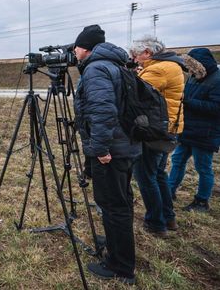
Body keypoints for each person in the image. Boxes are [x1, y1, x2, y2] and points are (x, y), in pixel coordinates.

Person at [73, 24, 140, 285]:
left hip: (111, 150)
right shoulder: (114, 64)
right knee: (120, 202)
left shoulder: (96, 69)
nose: (74, 50)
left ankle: (120, 266)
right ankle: (115, 244)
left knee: (113, 206)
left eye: (77, 46)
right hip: (125, 145)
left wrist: (100, 149)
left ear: (86, 48)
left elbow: (102, 111)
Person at [130, 37, 185, 237]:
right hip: (168, 128)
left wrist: (131, 76)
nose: (134, 59)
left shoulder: (158, 70)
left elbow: (136, 95)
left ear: (147, 52)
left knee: (146, 177)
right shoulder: (170, 65)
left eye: (135, 55)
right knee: (159, 174)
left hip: (154, 131)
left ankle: (156, 223)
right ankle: (168, 217)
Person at [168, 48, 220, 212]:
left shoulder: (217, 80)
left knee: (203, 167)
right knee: (177, 160)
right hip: (187, 129)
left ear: (200, 64)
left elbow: (216, 108)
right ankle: (169, 191)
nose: (189, 70)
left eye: (192, 66)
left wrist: (188, 102)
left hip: (206, 133)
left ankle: (202, 201)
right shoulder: (194, 77)